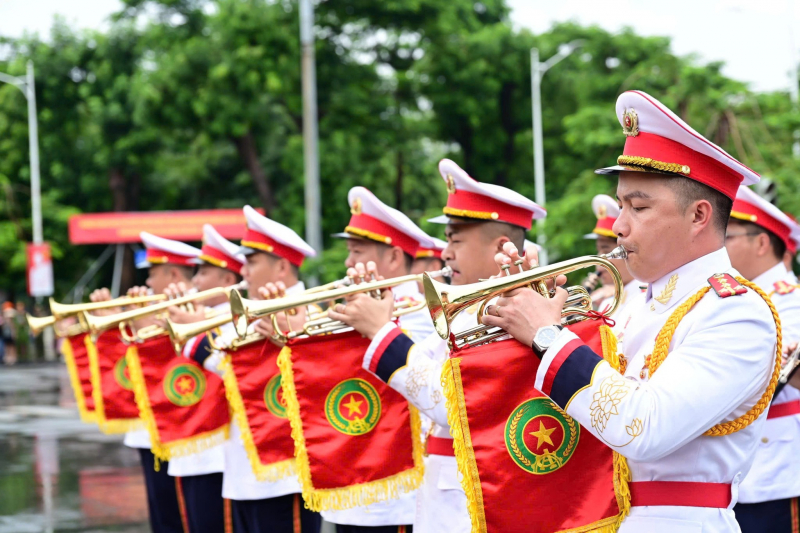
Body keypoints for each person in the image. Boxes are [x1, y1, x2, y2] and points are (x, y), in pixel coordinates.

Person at [480, 90, 779, 532]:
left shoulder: (737, 313)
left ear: (699, 216)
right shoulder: (633, 302)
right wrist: (523, 319)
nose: (619, 226)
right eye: (621, 205)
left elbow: (644, 427)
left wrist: (548, 336)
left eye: (638, 207)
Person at [326, 159, 545, 533]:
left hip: (475, 503)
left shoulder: (514, 315)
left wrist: (381, 333)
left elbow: (453, 404)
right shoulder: (467, 312)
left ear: (501, 247)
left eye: (455, 239)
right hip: (444, 500)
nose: (445, 252)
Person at [321, 186, 438, 533]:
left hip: (395, 494)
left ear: (394, 258)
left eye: (357, 252)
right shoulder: (355, 308)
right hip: (356, 477)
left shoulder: (418, 315)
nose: (347, 263)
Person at [92, 231, 201, 533]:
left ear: (174, 274)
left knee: (177, 519)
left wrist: (141, 328)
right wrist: (116, 320)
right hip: (151, 428)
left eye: (153, 273)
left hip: (183, 428)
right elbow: (127, 369)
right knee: (162, 518)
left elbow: (179, 371)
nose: (148, 282)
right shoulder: (157, 308)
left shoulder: (193, 311)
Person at [222, 205, 321, 533]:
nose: (243, 271)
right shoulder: (248, 312)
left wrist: (295, 340)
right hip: (245, 470)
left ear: (281, 266)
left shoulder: (311, 313)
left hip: (287, 475)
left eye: (252, 262)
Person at [721, 186, 800, 532]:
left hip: (775, 466)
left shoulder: (790, 300)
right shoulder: (740, 296)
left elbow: (775, 376)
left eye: (729, 237)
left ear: (762, 243)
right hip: (737, 464)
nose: (719, 246)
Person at [161, 224, 246, 533]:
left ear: (227, 281)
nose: (195, 281)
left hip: (218, 453)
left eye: (203, 273)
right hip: (193, 445)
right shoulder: (197, 314)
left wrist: (194, 328)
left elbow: (232, 370)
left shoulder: (232, 321)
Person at [583, 194, 643, 316]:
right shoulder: (607, 303)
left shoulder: (645, 296)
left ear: (628, 250)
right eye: (598, 250)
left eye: (606, 251)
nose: (599, 259)